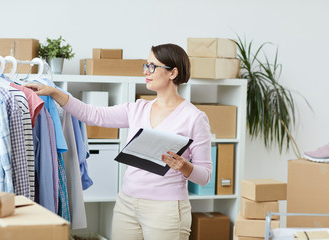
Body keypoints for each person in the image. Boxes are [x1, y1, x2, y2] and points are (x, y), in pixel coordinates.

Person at [25, 43, 212, 240]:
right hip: (127, 204)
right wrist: (54, 92)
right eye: (145, 65)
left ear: (173, 73)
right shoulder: (137, 108)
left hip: (166, 209)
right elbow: (92, 114)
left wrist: (183, 166)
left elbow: (205, 176)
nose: (146, 72)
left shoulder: (194, 118)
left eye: (152, 67)